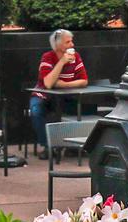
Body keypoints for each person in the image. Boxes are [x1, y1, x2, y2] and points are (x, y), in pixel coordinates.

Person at [29, 28, 88, 156]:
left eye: (71, 41)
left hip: (67, 95)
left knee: (85, 109)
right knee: (36, 111)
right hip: (43, 95)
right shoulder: (48, 57)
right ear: (58, 45)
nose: (72, 45)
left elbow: (83, 81)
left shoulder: (76, 56)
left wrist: (64, 84)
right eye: (68, 42)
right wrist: (61, 62)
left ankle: (73, 147)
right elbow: (48, 84)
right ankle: (48, 147)